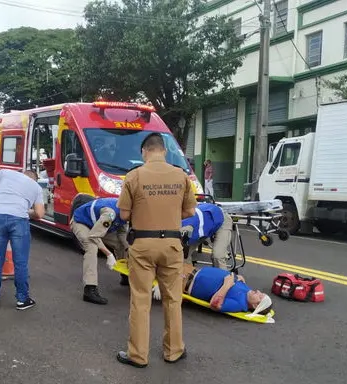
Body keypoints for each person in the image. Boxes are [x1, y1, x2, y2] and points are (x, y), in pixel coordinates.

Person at [115, 133, 197, 368]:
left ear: (144, 152)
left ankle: (138, 356)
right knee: (173, 299)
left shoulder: (134, 176)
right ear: (164, 151)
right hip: (172, 245)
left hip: (142, 244)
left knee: (141, 300)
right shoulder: (181, 176)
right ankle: (174, 351)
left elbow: (123, 215)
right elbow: (190, 212)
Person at [0, 168, 45, 310]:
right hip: (19, 220)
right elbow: (40, 213)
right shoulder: (36, 187)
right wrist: (25, 210)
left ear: (23, 174)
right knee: (20, 263)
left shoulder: (6, 173)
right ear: (34, 179)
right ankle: (22, 299)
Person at [70, 197, 128, 305]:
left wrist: (128, 248)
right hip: (82, 223)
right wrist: (109, 254)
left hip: (97, 227)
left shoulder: (126, 213)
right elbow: (94, 236)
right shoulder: (110, 214)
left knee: (121, 245)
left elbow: (122, 235)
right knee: (91, 247)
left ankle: (125, 276)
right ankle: (89, 289)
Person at [182, 264, 273, 315]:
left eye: (260, 296)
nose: (258, 291)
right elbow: (239, 280)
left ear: (255, 306)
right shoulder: (248, 291)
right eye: (261, 293)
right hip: (191, 269)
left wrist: (226, 285)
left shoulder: (239, 304)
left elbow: (215, 305)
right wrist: (239, 278)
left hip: (184, 282)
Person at [180, 202, 233, 270]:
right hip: (204, 223)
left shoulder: (188, 228)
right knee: (183, 256)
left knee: (218, 255)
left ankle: (223, 279)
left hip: (222, 219)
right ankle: (191, 277)